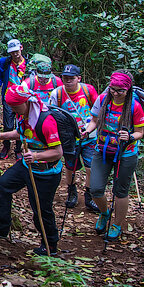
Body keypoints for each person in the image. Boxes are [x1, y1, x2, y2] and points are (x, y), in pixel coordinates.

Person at [0, 85, 63, 256]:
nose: (12, 109)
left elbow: (57, 152)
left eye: (15, 106)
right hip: (27, 165)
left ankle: (50, 244)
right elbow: (22, 133)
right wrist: (2, 136)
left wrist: (37, 156)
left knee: (41, 209)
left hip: (46, 172)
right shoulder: (25, 115)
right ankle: (1, 226)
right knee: (2, 186)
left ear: (26, 102)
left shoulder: (45, 120)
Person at [82, 71, 144, 243]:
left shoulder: (134, 106)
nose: (116, 93)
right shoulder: (103, 100)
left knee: (120, 192)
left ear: (128, 90)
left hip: (126, 153)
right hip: (102, 149)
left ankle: (117, 224)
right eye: (113, 89)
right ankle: (104, 213)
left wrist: (130, 137)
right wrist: (87, 131)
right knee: (95, 188)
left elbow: (140, 132)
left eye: (120, 91)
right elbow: (94, 121)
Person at [49, 64, 100, 212]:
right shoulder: (57, 94)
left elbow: (97, 110)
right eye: (65, 78)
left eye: (71, 78)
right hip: (69, 138)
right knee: (71, 166)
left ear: (79, 78)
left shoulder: (88, 90)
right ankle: (72, 191)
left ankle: (89, 195)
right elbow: (53, 115)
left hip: (89, 136)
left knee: (90, 167)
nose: (68, 81)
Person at [0, 39, 29, 159]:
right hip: (8, 97)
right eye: (12, 52)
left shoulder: (28, 64)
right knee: (8, 125)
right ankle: (6, 146)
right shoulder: (5, 62)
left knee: (22, 124)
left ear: (21, 48)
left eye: (16, 51)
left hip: (23, 99)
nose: (15, 54)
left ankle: (18, 148)